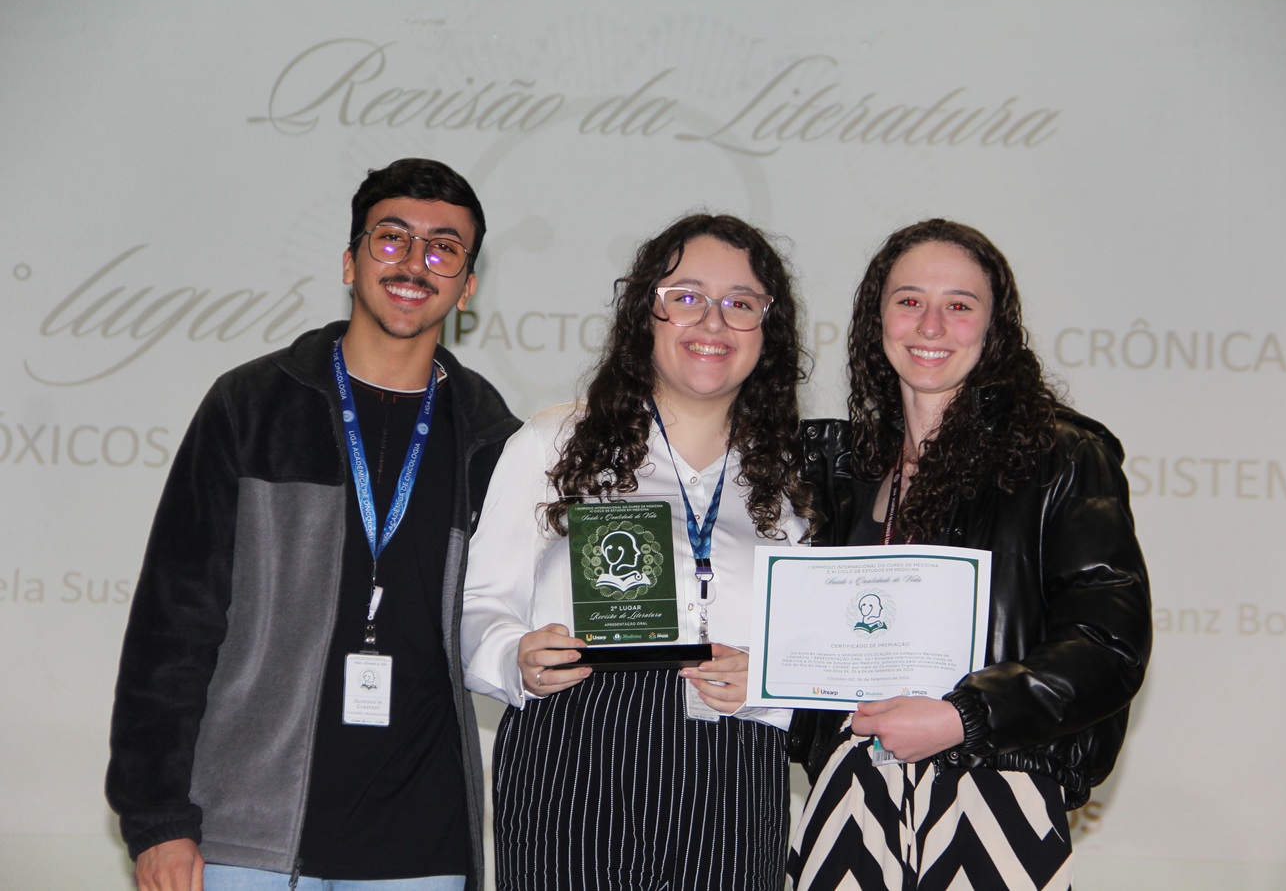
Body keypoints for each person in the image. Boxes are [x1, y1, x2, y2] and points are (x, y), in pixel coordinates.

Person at [105, 158, 521, 891]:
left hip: (422, 847)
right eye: (391, 238)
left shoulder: (493, 440)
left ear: (467, 286)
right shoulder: (251, 406)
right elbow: (173, 625)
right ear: (350, 261)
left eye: (443, 249)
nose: (414, 263)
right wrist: (157, 817)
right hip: (243, 832)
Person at [787, 219, 1151, 890]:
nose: (930, 326)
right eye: (909, 301)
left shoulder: (1060, 455)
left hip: (992, 797)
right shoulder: (841, 470)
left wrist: (965, 717)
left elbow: (1109, 645)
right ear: (876, 318)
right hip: (849, 796)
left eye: (959, 305)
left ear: (994, 328)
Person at [461, 214, 815, 891]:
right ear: (644, 314)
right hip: (572, 749)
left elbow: (819, 649)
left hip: (735, 761)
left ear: (768, 329)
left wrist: (772, 683)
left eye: (741, 303)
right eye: (686, 297)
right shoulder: (553, 442)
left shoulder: (795, 478)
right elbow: (479, 604)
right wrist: (514, 657)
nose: (712, 321)